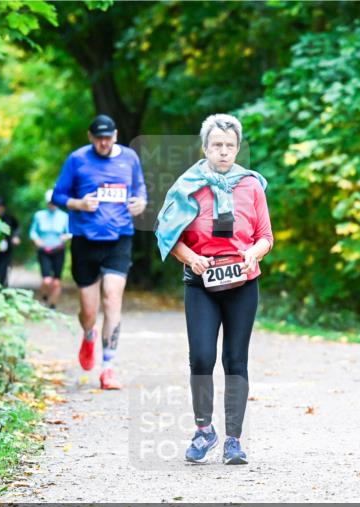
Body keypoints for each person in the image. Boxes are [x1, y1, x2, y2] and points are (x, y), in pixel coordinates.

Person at [155, 114, 273, 465]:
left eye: (230, 146)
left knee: (236, 360)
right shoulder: (187, 186)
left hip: (243, 282)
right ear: (205, 147)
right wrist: (191, 258)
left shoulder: (251, 185)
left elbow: (266, 236)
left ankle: (234, 440)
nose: (224, 152)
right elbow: (168, 235)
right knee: (202, 357)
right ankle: (204, 431)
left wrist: (253, 252)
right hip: (201, 282)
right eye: (217, 145)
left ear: (238, 149)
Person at [51, 114, 147, 390]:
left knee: (112, 297)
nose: (104, 143)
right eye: (99, 138)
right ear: (90, 137)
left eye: (108, 137)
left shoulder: (129, 158)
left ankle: (108, 367)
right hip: (85, 240)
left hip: (120, 238)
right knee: (89, 311)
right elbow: (57, 196)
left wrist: (140, 203)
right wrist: (79, 204)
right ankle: (88, 334)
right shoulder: (77, 159)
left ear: (115, 135)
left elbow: (140, 189)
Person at [30, 189, 71, 309]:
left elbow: (70, 232)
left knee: (56, 282)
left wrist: (65, 237)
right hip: (44, 250)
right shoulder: (39, 215)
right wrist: (36, 240)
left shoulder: (64, 216)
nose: (52, 205)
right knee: (46, 280)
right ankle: (44, 298)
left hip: (58, 250)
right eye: (50, 202)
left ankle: (52, 305)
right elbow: (33, 232)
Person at [0, 196, 21, 287]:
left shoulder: (9, 218)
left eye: (0, 207)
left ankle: (0, 290)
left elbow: (17, 228)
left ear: (4, 208)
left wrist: (16, 237)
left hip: (5, 252)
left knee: (3, 272)